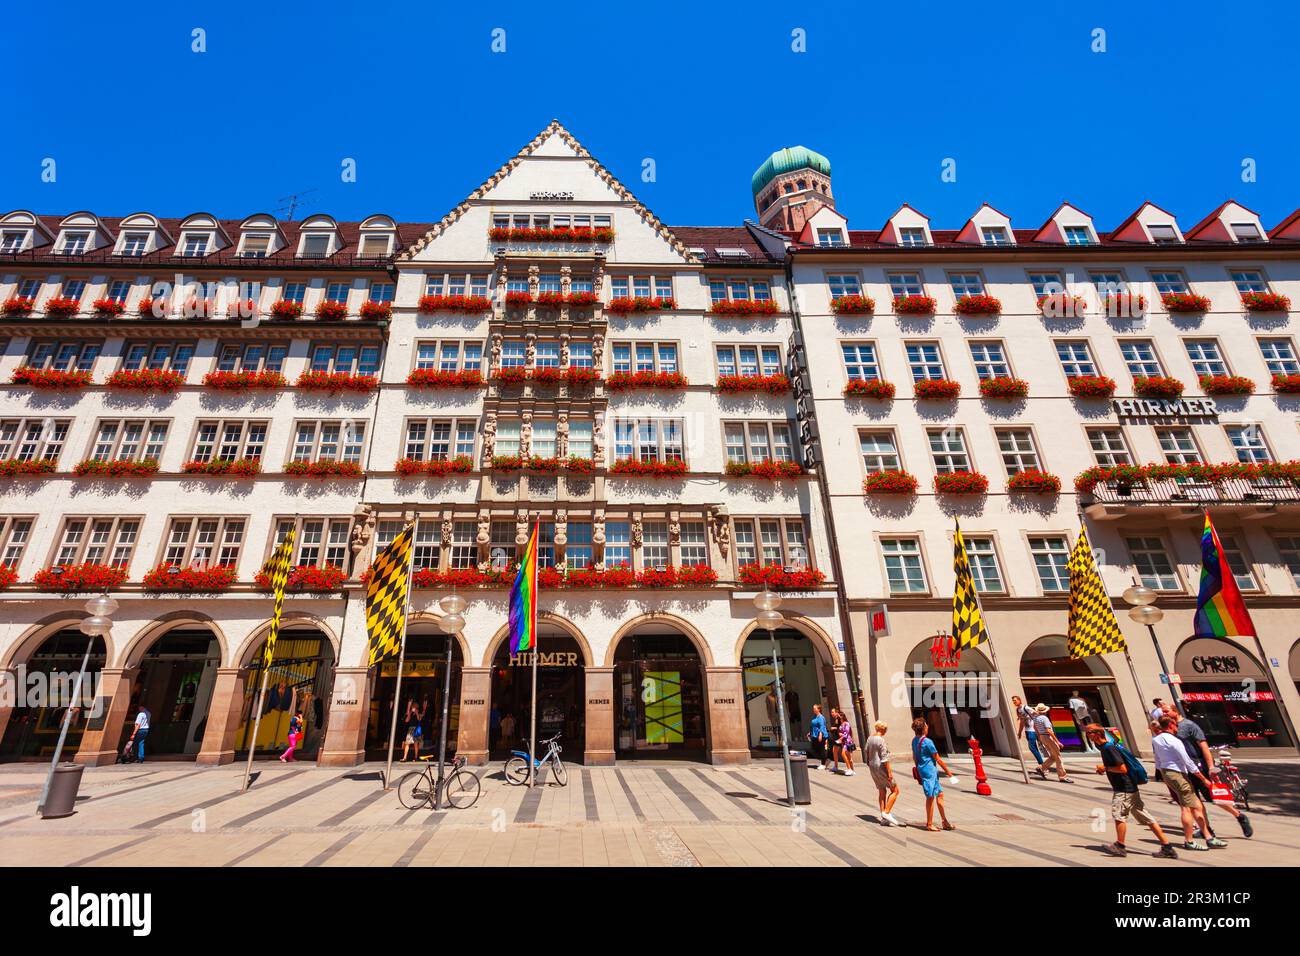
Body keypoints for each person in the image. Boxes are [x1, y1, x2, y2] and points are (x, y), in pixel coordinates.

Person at [1088, 723, 1177, 859]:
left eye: (1089, 732)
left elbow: (1123, 769)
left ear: (1097, 734)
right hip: (1130, 788)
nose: (1087, 735)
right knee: (1145, 816)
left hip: (1124, 789)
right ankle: (1167, 847)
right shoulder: (1106, 746)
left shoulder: (1108, 748)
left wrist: (1104, 768)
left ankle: (1120, 846)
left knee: (1119, 816)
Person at [1173, 709, 1253, 839]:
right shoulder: (1170, 728)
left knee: (1213, 797)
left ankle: (1239, 816)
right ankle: (1207, 829)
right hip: (1184, 768)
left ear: (1175, 712)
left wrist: (1210, 767)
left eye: (1166, 711)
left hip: (1199, 766)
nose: (1163, 713)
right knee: (1194, 801)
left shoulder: (1190, 725)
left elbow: (1204, 747)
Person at [1152, 716, 1216, 851]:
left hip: (1167, 772)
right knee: (1186, 808)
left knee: (1197, 805)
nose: (1177, 728)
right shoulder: (1175, 741)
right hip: (1178, 774)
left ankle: (1209, 837)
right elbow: (1187, 761)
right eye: (1176, 725)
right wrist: (1204, 779)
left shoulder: (1156, 740)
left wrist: (1163, 777)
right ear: (1171, 725)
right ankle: (1189, 841)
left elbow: (1157, 761)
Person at [911, 718, 955, 831]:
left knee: (939, 794)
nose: (928, 727)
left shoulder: (914, 740)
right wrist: (949, 773)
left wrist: (918, 769)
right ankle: (929, 824)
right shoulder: (927, 742)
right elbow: (938, 758)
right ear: (924, 728)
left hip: (925, 770)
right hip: (929, 771)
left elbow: (915, 757)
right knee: (930, 797)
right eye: (926, 725)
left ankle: (945, 821)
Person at [866, 721, 901, 826]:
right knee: (895, 790)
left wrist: (870, 763)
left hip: (872, 766)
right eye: (885, 729)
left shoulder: (870, 738)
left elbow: (866, 751)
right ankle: (886, 812)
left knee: (882, 790)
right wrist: (889, 772)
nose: (886, 731)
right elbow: (884, 758)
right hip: (881, 767)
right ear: (882, 729)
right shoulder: (881, 740)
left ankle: (883, 818)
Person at [1032, 704, 1071, 782]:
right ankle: (1062, 776)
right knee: (1058, 757)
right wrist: (1057, 741)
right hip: (1048, 737)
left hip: (1042, 737)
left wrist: (1039, 736)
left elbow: (1034, 727)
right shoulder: (1044, 718)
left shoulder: (1036, 718)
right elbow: (1049, 730)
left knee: (1053, 756)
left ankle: (1041, 768)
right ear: (1045, 711)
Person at [1013, 695, 1043, 766]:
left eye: (1015, 700)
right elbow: (1021, 722)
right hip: (1027, 730)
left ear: (1019, 700)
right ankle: (1042, 765)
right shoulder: (1018, 710)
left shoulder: (1025, 707)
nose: (1014, 702)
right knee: (1034, 747)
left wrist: (1038, 723)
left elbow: (1037, 713)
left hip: (1033, 730)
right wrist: (1020, 732)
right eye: (1013, 701)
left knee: (1031, 747)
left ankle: (1042, 764)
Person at [808, 704, 829, 770]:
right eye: (813, 708)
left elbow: (822, 726)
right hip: (814, 735)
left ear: (819, 709)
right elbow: (813, 726)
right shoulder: (815, 717)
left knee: (821, 749)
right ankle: (825, 759)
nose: (813, 710)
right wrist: (810, 733)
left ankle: (823, 764)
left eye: (815, 708)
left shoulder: (821, 717)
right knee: (814, 748)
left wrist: (820, 734)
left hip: (821, 735)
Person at [837, 712, 856, 776]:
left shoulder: (846, 724)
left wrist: (841, 738)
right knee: (849, 757)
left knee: (843, 754)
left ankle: (849, 769)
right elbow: (840, 732)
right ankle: (852, 770)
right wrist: (840, 735)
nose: (838, 717)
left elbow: (846, 733)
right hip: (843, 742)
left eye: (839, 716)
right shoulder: (840, 724)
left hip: (847, 741)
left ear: (842, 716)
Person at [826, 707, 844, 772]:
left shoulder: (839, 718)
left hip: (841, 737)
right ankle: (836, 766)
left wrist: (834, 728)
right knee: (834, 751)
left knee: (844, 753)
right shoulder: (836, 719)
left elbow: (842, 727)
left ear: (836, 712)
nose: (832, 714)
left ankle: (851, 768)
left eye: (833, 712)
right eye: (831, 712)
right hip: (837, 737)